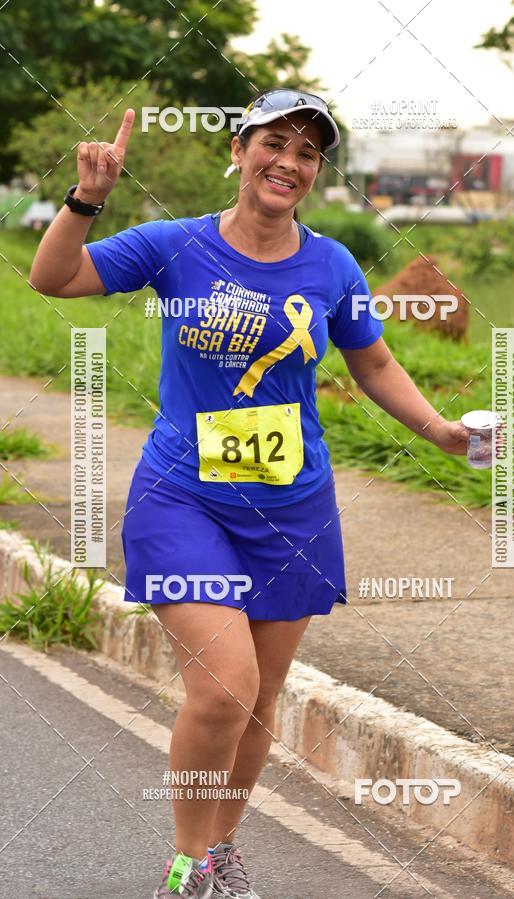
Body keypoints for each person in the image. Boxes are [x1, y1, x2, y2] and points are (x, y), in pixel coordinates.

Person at [29, 88, 469, 898]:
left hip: (292, 505)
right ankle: (188, 864)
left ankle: (222, 848)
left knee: (262, 698)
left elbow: (370, 360)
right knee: (224, 685)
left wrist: (440, 429)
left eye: (307, 153)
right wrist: (86, 198)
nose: (289, 163)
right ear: (238, 150)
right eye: (275, 144)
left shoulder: (332, 264)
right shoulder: (175, 246)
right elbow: (54, 277)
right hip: (183, 496)